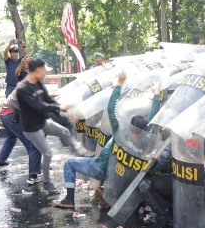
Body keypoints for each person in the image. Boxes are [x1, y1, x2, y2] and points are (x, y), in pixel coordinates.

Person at [53, 72, 161, 209]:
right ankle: (104, 194)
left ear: (130, 127)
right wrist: (156, 95)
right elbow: (152, 120)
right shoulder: (145, 138)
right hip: (120, 175)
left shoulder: (120, 133)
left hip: (100, 167)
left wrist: (118, 85)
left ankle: (69, 199)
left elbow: (111, 109)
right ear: (142, 130)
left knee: (69, 163)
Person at [17, 59, 94, 196]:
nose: (46, 73)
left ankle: (81, 152)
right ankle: (47, 183)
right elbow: (38, 106)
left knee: (64, 131)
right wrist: (59, 107)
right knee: (47, 153)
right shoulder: (22, 88)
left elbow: (48, 100)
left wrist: (66, 113)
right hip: (31, 128)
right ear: (38, 70)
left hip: (42, 122)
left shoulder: (38, 84)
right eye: (44, 70)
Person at [0, 81, 42, 185]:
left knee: (11, 137)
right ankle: (33, 175)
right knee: (33, 144)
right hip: (10, 116)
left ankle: (1, 160)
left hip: (7, 114)